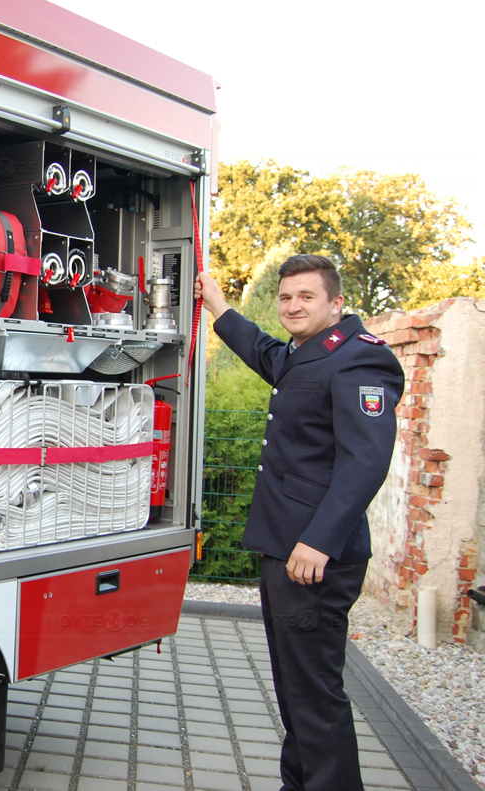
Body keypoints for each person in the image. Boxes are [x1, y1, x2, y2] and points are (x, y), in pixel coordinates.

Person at [195, 255, 404, 791]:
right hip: (287, 550)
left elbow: (365, 464)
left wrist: (319, 541)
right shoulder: (304, 354)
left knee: (314, 693)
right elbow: (265, 352)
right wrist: (218, 304)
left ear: (336, 303)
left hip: (314, 557)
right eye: (286, 297)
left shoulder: (361, 362)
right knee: (295, 689)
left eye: (306, 297)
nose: (292, 306)